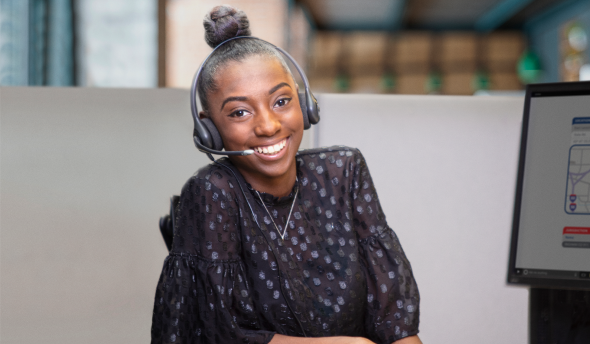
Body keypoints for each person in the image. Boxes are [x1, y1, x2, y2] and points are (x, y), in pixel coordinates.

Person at [151, 5, 421, 344]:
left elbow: (394, 319)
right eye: (239, 112)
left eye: (281, 101)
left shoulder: (344, 172)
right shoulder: (212, 191)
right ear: (210, 131)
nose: (268, 126)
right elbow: (219, 334)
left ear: (304, 104)